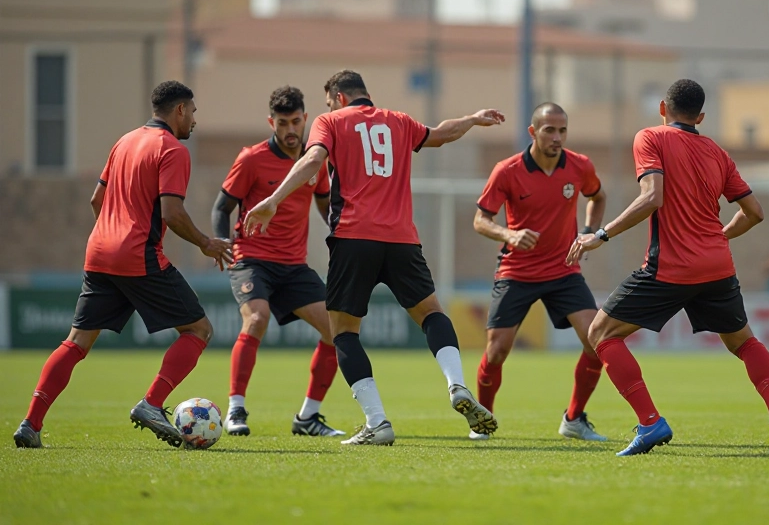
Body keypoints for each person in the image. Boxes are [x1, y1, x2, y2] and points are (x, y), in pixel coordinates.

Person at [243, 70, 505, 446]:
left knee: (343, 332)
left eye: (329, 102)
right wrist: (473, 119)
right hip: (402, 240)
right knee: (432, 314)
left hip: (353, 238)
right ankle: (456, 384)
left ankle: (377, 422)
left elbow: (313, 160)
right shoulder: (399, 121)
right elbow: (441, 134)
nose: (328, 108)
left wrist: (273, 199)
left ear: (339, 98)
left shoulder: (330, 122)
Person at [566, 79, 769, 457]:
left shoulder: (650, 138)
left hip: (670, 267)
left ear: (662, 108)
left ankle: (650, 422)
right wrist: (718, 236)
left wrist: (601, 234)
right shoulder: (718, 153)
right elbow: (754, 213)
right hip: (717, 267)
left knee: (601, 333)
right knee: (743, 342)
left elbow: (652, 197)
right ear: (700, 117)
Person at [13, 81, 233, 449]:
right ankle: (151, 404)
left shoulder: (125, 142)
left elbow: (96, 200)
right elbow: (173, 213)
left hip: (99, 252)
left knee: (76, 342)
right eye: (193, 112)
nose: (194, 120)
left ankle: (30, 424)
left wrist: (112, 234)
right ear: (179, 110)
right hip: (137, 255)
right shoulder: (173, 149)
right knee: (199, 330)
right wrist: (206, 243)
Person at [211, 86, 346, 438]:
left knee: (337, 330)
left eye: (296, 122)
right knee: (257, 318)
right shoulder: (251, 159)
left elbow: (324, 203)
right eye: (282, 123)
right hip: (252, 259)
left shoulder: (315, 160)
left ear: (305, 119)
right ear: (271, 122)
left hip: (293, 265)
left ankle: (308, 417)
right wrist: (223, 244)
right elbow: (222, 207)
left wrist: (341, 233)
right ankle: (235, 408)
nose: (290, 130)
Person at [473, 102, 608, 442]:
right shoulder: (507, 170)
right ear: (533, 132)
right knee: (496, 351)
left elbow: (598, 196)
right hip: (516, 271)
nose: (557, 137)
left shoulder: (579, 165)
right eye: (549, 130)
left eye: (562, 130)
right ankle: (482, 421)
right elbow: (480, 220)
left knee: (598, 341)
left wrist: (588, 232)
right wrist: (509, 235)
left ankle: (574, 419)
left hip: (564, 271)